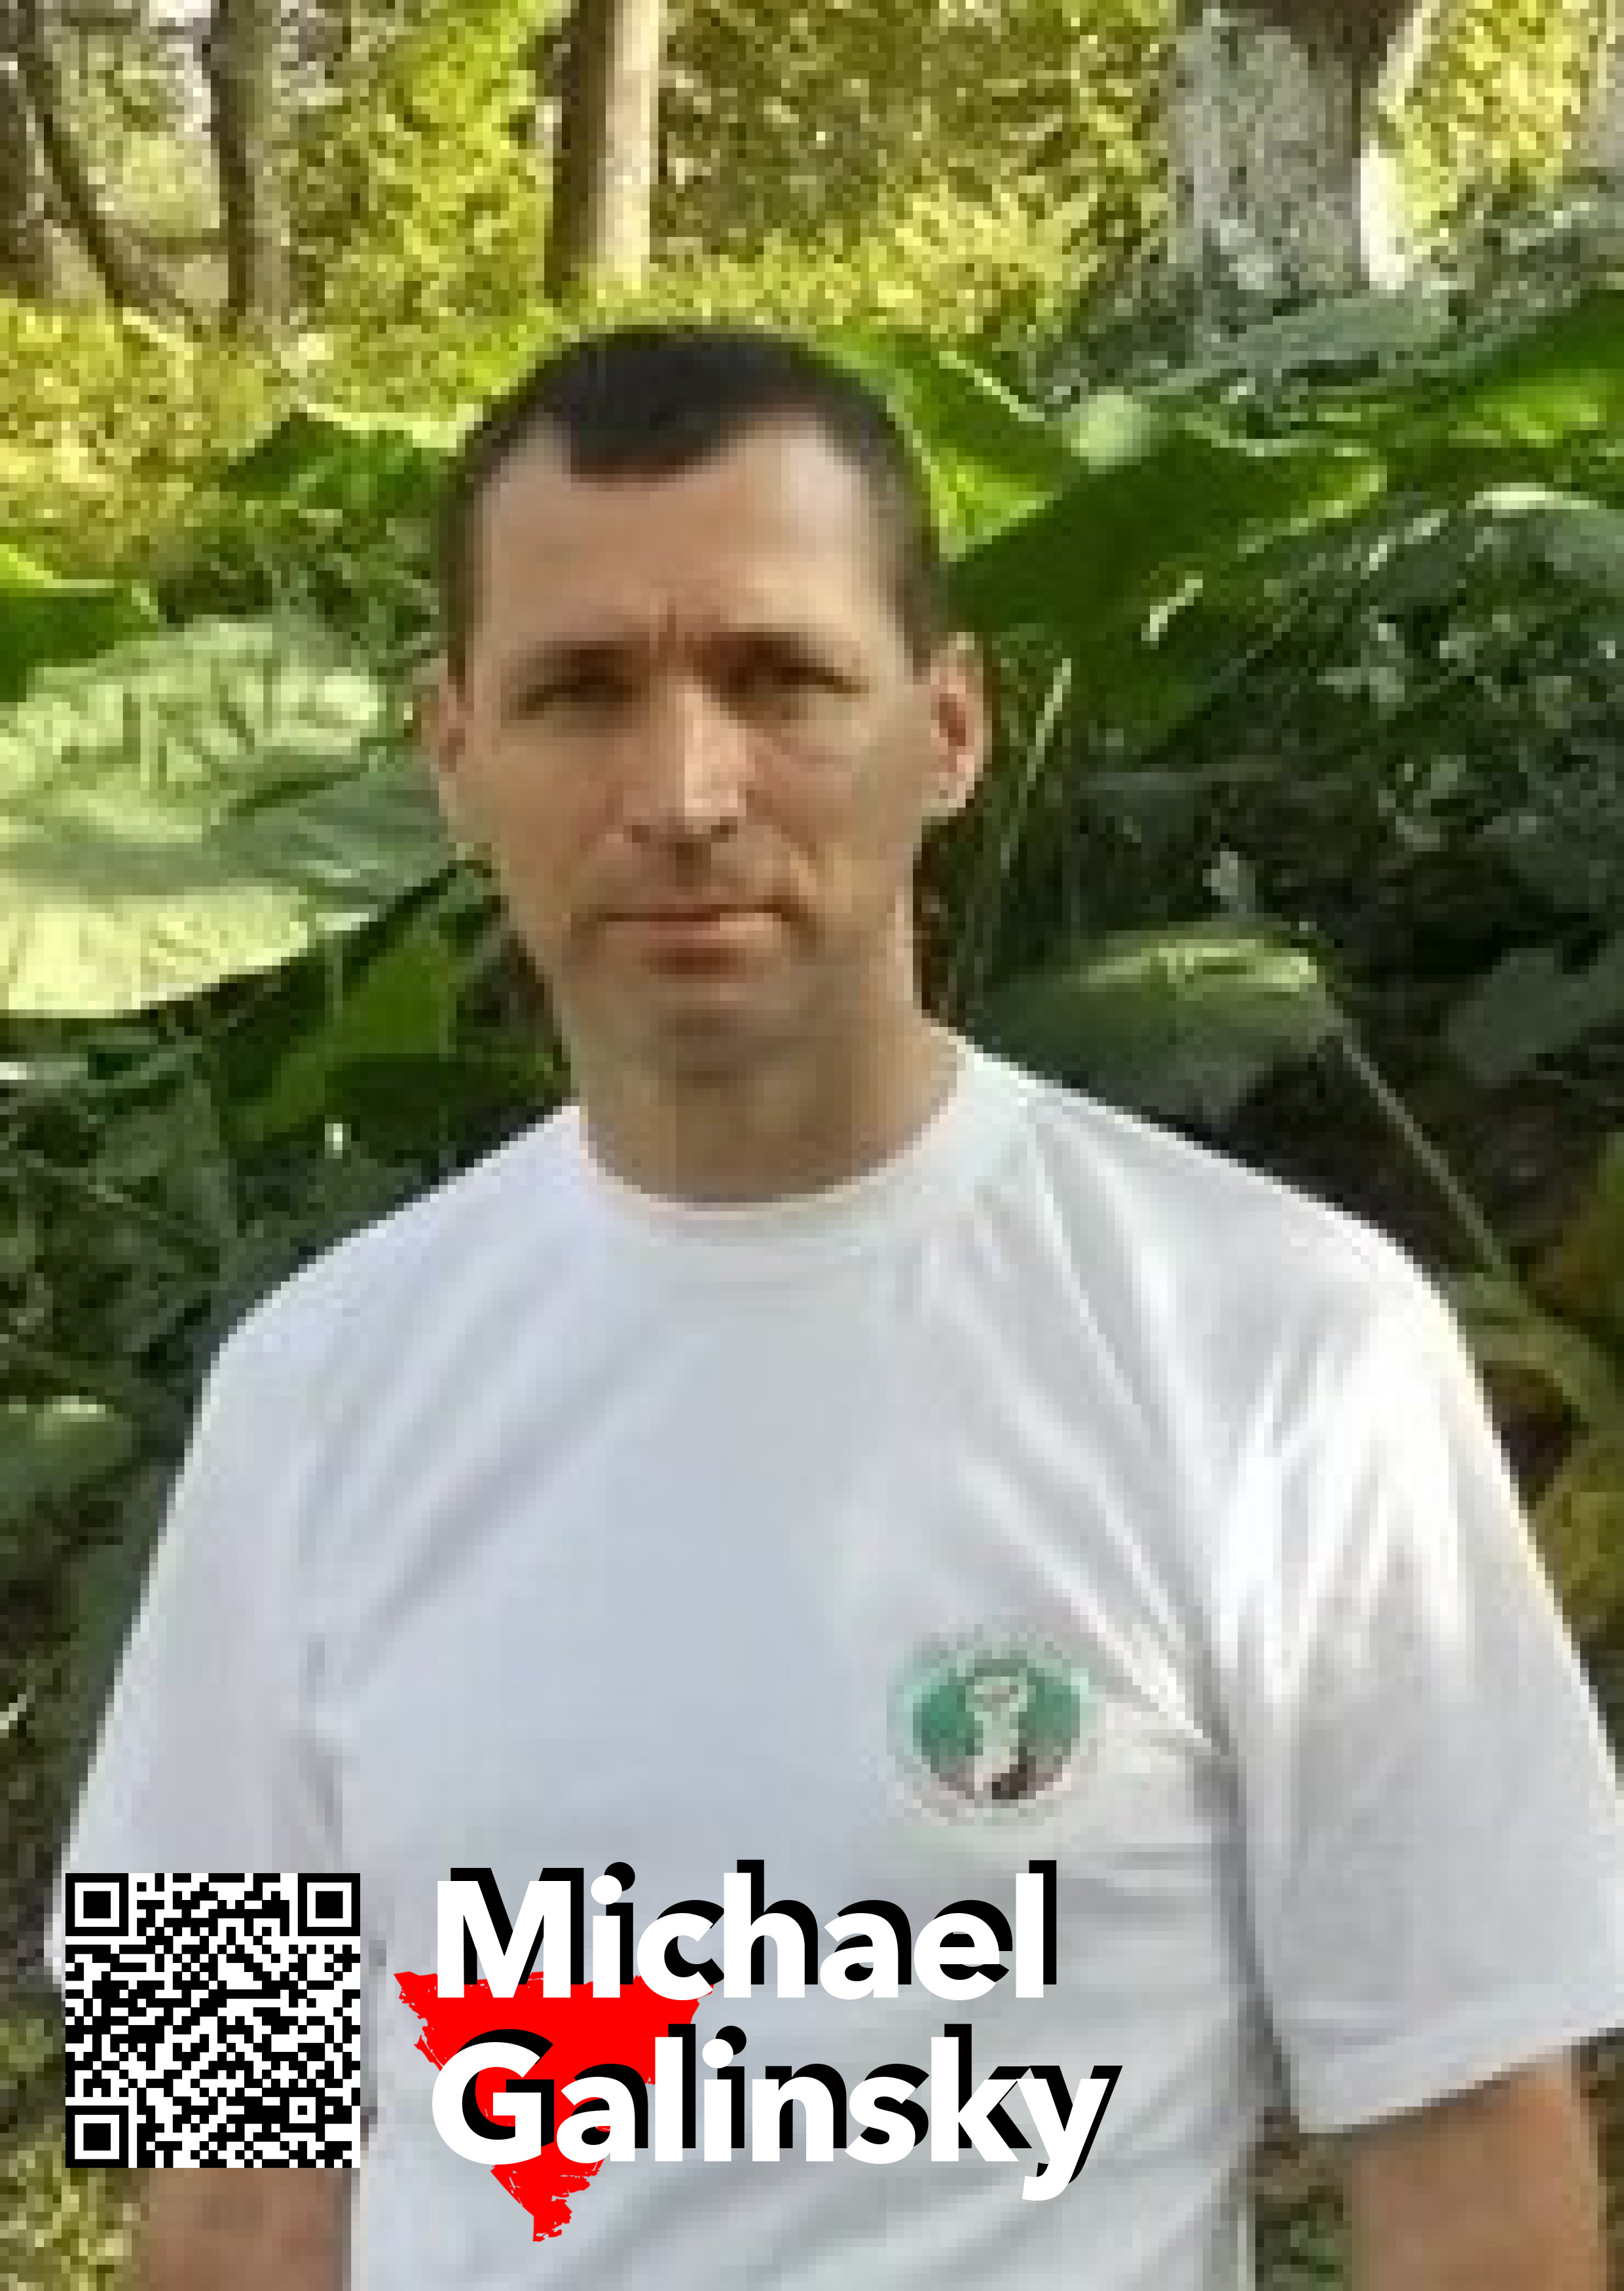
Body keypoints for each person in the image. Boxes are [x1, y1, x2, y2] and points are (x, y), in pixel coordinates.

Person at [44, 320, 1624, 2289]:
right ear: (453, 756)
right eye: (580, 691)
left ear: (948, 726)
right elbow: (220, 2172)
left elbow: (1470, 2151)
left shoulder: (1290, 1347)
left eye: (779, 678)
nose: (685, 790)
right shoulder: (306, 1392)